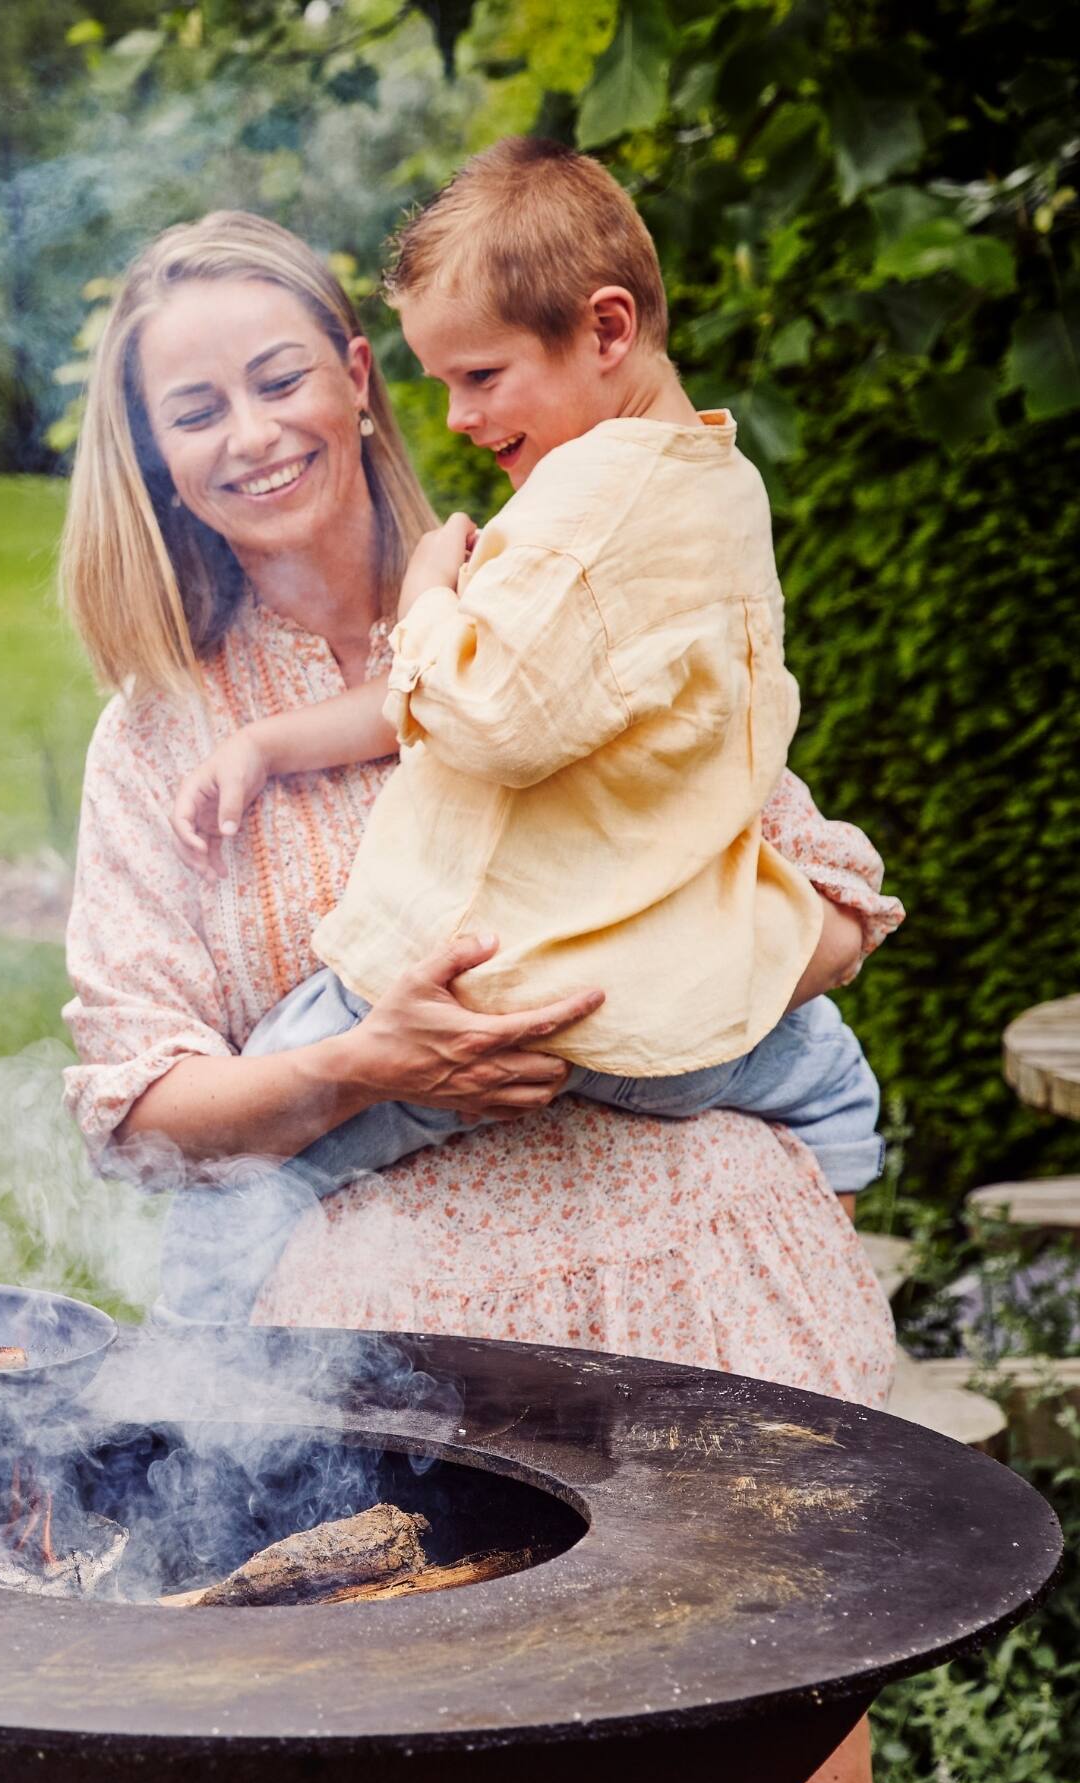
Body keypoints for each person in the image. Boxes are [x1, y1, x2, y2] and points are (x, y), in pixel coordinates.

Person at [58, 209, 931, 1783]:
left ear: (358, 378)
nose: (252, 434)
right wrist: (359, 1065)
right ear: (150, 457)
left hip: (701, 1310)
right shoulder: (162, 733)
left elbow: (818, 885)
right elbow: (139, 1106)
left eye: (280, 378)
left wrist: (663, 974)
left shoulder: (568, 567)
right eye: (196, 410)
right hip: (396, 1387)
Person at [157, 139, 881, 1323]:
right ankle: (837, 1221)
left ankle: (182, 1374)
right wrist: (270, 744)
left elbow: (480, 714)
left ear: (605, 329)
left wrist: (423, 596)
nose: (456, 416)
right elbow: (494, 701)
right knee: (828, 1074)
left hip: (485, 1003)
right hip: (672, 1019)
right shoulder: (711, 487)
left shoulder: (575, 518)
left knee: (234, 1185)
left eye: (481, 375)